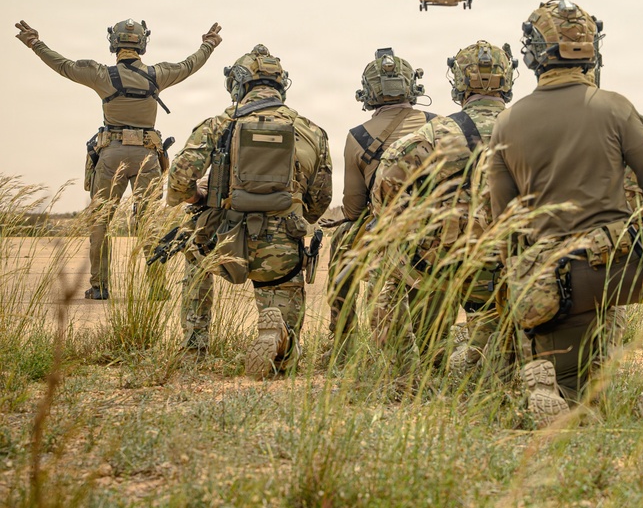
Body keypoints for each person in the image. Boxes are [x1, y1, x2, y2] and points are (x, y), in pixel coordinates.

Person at [488, 0, 643, 425]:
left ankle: (559, 396)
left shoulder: (507, 123)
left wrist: (520, 277)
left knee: (573, 389)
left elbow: (502, 221)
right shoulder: (614, 107)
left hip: (555, 282)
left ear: (533, 52)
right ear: (592, 50)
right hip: (622, 270)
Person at [14, 18, 221, 300]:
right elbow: (189, 65)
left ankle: (99, 287)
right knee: (148, 222)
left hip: (111, 155)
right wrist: (208, 44)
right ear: (142, 44)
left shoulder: (100, 75)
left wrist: (34, 43)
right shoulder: (158, 74)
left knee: (101, 221)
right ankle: (157, 288)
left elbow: (63, 65)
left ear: (114, 43)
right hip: (148, 155)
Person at [166, 45, 332, 376]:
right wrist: (297, 218)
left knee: (194, 256)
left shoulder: (217, 124)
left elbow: (179, 178)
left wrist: (196, 198)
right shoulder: (311, 131)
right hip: (280, 247)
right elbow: (321, 198)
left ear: (238, 85)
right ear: (282, 85)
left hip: (220, 242)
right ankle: (280, 341)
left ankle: (194, 348)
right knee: (284, 285)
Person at [369, 40, 517, 380]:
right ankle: (495, 356)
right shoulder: (535, 129)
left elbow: (386, 186)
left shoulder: (435, 133)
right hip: (515, 263)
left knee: (383, 260)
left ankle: (411, 368)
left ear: (459, 84)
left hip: (444, 266)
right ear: (507, 82)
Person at [324, 48, 435, 354]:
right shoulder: (442, 125)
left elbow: (354, 208)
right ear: (412, 86)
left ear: (368, 92)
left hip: (386, 234)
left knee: (342, 241)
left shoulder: (357, 136)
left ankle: (341, 341)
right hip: (438, 232)